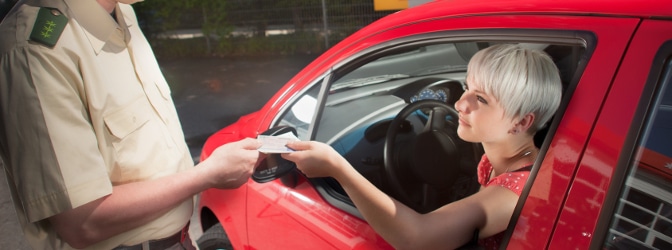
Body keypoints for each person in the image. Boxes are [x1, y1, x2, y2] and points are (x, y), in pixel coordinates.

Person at [0, 0, 263, 249]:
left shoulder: (122, 12)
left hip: (178, 239)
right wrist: (207, 174)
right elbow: (83, 222)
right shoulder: (36, 50)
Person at [282, 44, 562, 250]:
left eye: (482, 99)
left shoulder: (514, 192)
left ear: (521, 122)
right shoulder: (499, 160)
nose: (460, 103)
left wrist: (337, 167)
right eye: (467, 87)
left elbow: (417, 238)